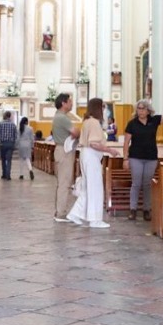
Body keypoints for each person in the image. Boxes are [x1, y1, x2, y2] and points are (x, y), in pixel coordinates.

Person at [66, 97, 118, 228]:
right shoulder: (94, 122)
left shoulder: (88, 121)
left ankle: (75, 214)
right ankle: (95, 219)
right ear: (98, 108)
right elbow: (94, 143)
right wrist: (109, 150)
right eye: (103, 107)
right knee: (95, 187)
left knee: (87, 188)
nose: (104, 110)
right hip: (91, 155)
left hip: (86, 155)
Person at [50, 92, 81, 222]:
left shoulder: (59, 116)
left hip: (61, 149)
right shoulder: (62, 118)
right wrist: (78, 132)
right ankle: (61, 213)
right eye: (70, 101)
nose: (71, 103)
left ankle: (59, 210)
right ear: (63, 103)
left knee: (62, 182)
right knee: (64, 182)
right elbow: (75, 132)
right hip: (65, 151)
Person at [0, 110, 18, 180]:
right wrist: (14, 143)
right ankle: (8, 174)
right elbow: (16, 135)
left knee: (3, 159)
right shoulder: (13, 124)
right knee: (9, 160)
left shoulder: (0, 124)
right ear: (10, 116)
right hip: (10, 144)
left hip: (3, 144)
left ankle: (4, 174)